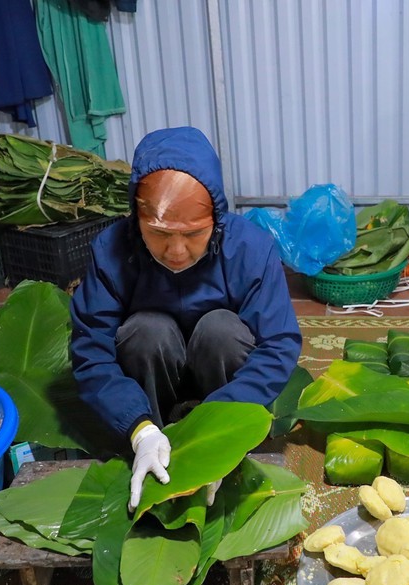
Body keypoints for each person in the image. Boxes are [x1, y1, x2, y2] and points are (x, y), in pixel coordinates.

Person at [70, 126, 302, 511]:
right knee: (146, 330)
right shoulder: (111, 251)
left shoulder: (250, 248)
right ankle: (154, 441)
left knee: (221, 330)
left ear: (217, 216)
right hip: (150, 381)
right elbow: (90, 350)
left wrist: (222, 429)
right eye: (158, 233)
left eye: (193, 233)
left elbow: (279, 343)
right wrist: (138, 428)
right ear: (135, 217)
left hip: (220, 374)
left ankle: (215, 431)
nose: (176, 250)